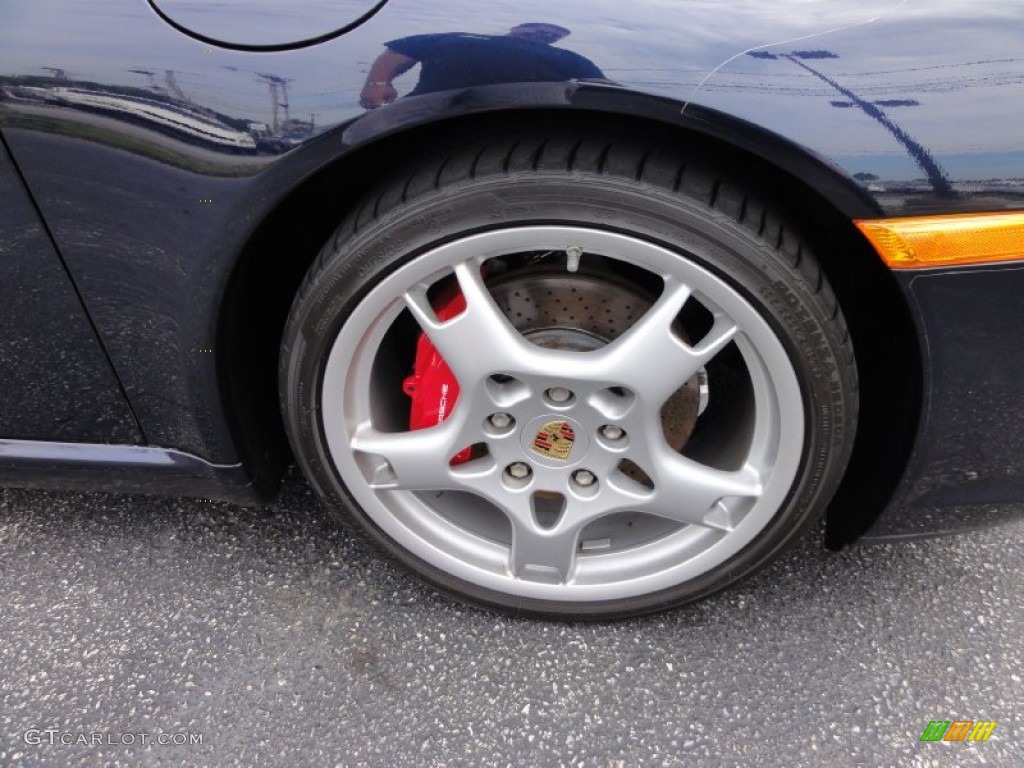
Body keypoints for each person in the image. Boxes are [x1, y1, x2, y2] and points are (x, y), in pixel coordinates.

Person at [359, 23, 607, 110]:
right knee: (368, 133)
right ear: (515, 29)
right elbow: (401, 50)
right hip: (432, 107)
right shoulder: (460, 37)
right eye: (538, 28)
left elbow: (604, 90)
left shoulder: (566, 57)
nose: (545, 35)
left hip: (530, 113)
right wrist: (377, 83)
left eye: (553, 34)